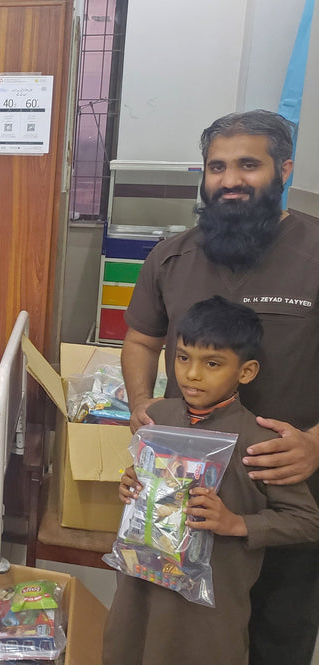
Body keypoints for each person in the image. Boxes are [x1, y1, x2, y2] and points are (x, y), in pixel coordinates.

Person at [120, 109, 319, 664]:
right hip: (186, 501)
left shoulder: (313, 254)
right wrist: (141, 406)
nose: (230, 180)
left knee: (279, 633)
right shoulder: (173, 256)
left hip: (284, 493)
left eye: (248, 165)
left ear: (284, 169)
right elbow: (139, 340)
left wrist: (316, 442)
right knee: (182, 631)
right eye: (217, 167)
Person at [105, 297, 319, 664]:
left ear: (246, 372)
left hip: (210, 607)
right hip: (140, 589)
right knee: (129, 648)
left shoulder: (259, 440)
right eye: (183, 357)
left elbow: (306, 521)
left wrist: (236, 523)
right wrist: (131, 483)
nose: (191, 374)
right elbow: (144, 483)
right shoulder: (157, 418)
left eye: (213, 363)